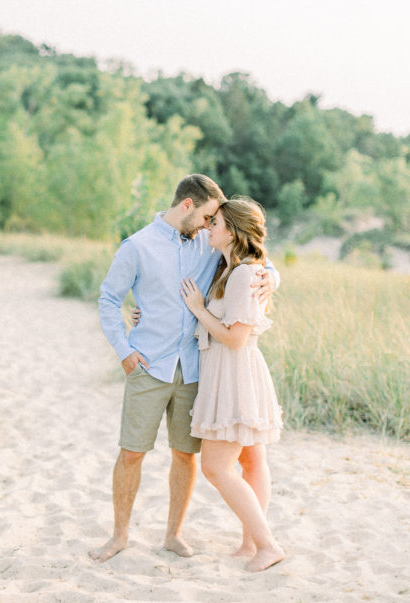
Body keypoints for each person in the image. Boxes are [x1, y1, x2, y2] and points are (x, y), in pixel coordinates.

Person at [91, 175, 277, 564]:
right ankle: (120, 535)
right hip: (148, 364)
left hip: (196, 369)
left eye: (216, 222)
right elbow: (109, 299)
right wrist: (124, 350)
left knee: (185, 456)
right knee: (131, 453)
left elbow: (251, 258)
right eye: (209, 216)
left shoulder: (208, 247)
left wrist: (272, 278)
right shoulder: (138, 246)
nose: (212, 226)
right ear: (188, 206)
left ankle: (173, 535)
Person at [179, 196, 285, 572]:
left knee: (215, 467)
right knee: (251, 459)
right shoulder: (231, 269)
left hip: (235, 371)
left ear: (234, 232)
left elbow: (236, 337)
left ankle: (267, 545)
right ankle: (250, 544)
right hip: (233, 370)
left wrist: (198, 310)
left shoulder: (242, 275)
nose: (209, 227)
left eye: (217, 223)